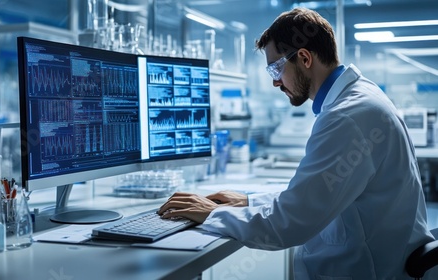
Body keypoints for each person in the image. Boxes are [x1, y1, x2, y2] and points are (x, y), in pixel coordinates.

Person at [159, 7, 436, 279]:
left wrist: (212, 214)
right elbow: (311, 196)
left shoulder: (346, 117)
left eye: (276, 69)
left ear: (304, 58)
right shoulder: (359, 98)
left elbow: (289, 224)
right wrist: (247, 201)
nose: (275, 83)